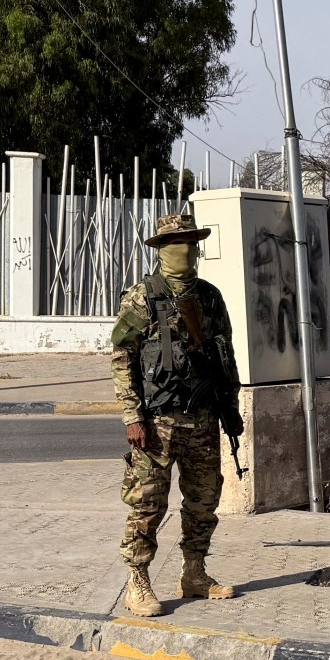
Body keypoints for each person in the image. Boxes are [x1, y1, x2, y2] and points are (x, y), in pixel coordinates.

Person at [109, 210, 243, 617]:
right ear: (161, 249)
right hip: (157, 421)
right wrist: (133, 416)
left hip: (203, 418)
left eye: (190, 243)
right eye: (175, 243)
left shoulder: (209, 297)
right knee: (147, 503)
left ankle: (194, 574)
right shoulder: (142, 297)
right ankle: (137, 581)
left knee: (204, 500)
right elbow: (122, 358)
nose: (184, 249)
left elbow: (225, 354)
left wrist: (230, 406)